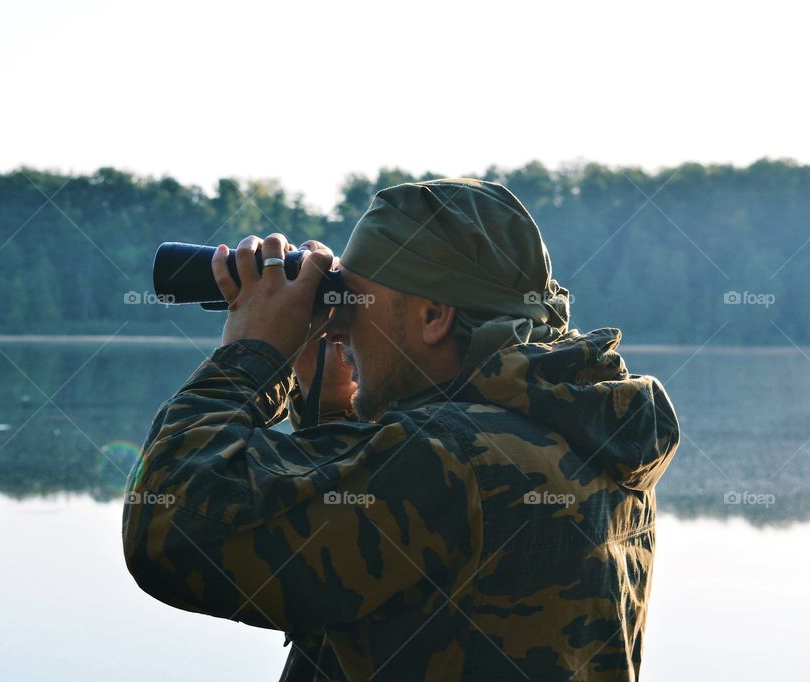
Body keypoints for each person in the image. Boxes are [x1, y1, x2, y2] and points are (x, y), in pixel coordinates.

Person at [122, 178, 680, 681]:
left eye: (353, 299)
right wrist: (333, 408)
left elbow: (171, 527)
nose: (336, 320)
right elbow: (386, 580)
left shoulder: (448, 456)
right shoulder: (582, 429)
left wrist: (251, 353)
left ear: (433, 317)